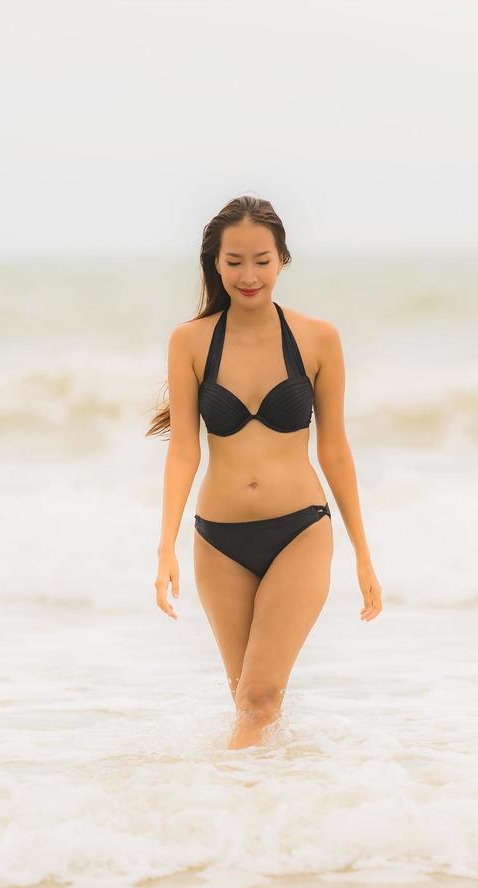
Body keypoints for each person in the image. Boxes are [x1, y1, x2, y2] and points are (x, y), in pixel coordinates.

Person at [146, 195, 382, 750]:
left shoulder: (318, 339)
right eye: (234, 262)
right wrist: (165, 547)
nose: (249, 275)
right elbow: (184, 450)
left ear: (282, 260)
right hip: (218, 542)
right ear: (215, 263)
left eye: (261, 260)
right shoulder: (190, 342)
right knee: (253, 707)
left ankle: (219, 814)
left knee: (258, 701)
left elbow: (336, 452)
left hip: (299, 530)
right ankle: (263, 818)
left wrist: (363, 553)